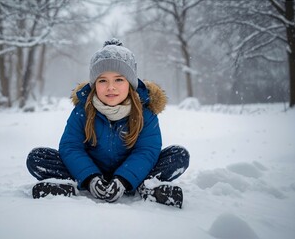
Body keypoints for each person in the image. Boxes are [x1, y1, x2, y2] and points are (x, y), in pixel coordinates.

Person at [26, 39, 189, 207]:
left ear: (131, 83)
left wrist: (123, 179)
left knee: (178, 156)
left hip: (134, 171)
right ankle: (70, 185)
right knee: (37, 158)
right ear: (94, 84)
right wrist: (90, 178)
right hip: (90, 169)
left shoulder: (145, 112)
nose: (111, 87)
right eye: (103, 80)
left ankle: (146, 187)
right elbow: (71, 147)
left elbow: (146, 150)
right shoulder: (83, 109)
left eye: (119, 79)